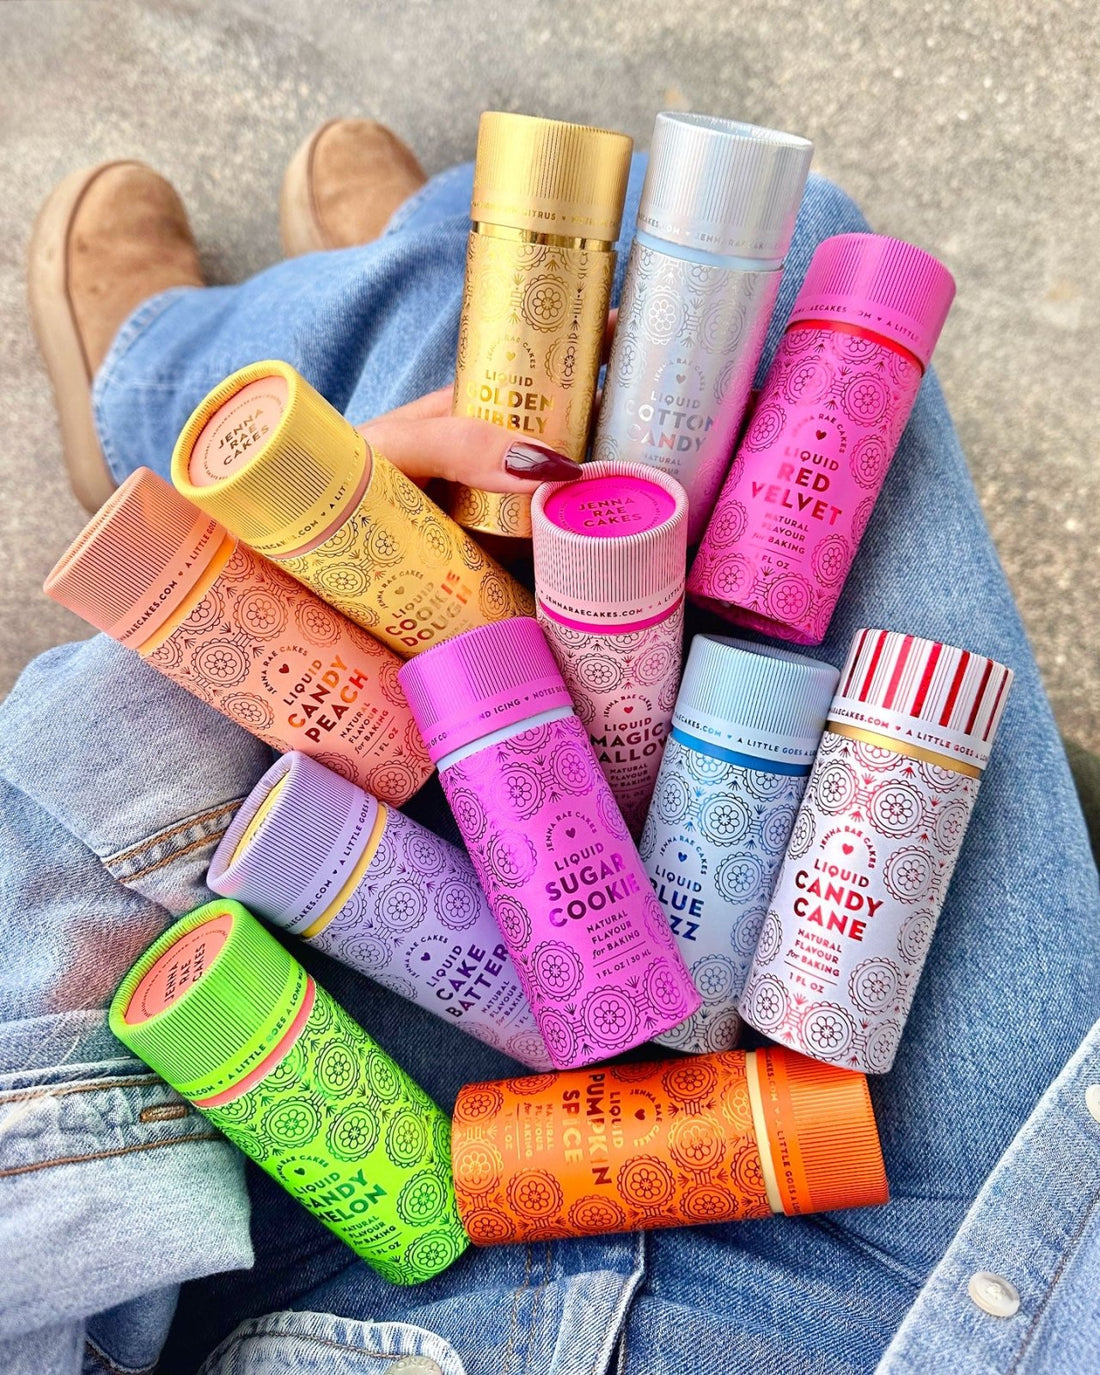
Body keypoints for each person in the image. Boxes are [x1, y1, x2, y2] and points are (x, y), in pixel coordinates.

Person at [3, 117, 1097, 1375]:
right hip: (946, 1258)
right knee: (790, 250)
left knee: (502, 382)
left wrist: (246, 591)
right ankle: (402, 283)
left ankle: (199, 360)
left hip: (354, 1250)